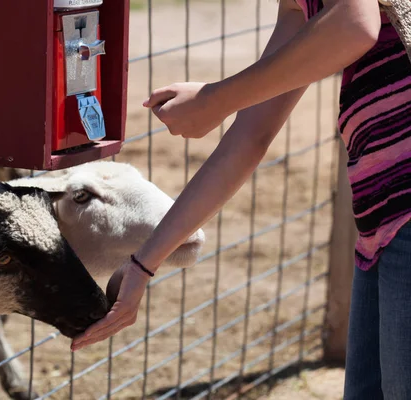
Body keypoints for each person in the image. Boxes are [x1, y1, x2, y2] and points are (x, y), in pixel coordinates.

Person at [71, 0, 411, 397]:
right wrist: (142, 266)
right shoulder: (298, 7)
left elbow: (355, 24)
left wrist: (218, 98)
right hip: (382, 228)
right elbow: (250, 136)